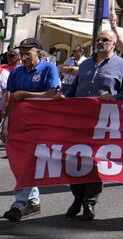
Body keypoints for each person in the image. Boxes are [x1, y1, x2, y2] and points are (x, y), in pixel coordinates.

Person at [61, 29, 123, 220]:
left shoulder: (122, 65)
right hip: (78, 121)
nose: (101, 42)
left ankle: (89, 202)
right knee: (74, 159)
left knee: (95, 162)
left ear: (113, 44)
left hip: (104, 122)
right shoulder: (85, 64)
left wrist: (115, 96)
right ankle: (77, 197)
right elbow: (74, 88)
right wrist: (64, 95)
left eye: (105, 40)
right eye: (99, 39)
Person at [1, 38, 61, 222]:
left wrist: (27, 95)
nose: (24, 56)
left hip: (41, 124)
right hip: (20, 124)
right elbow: (11, 99)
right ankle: (31, 201)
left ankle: (21, 203)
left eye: (28, 53)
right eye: (22, 53)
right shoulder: (17, 72)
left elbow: (53, 93)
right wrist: (6, 123)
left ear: (39, 54)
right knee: (20, 163)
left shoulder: (48, 68)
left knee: (29, 162)